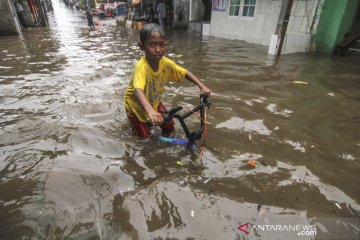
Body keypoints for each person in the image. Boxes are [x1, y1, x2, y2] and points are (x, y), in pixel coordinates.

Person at [124, 23, 211, 139]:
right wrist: (151, 111)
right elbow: (138, 90)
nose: (158, 50)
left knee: (170, 127)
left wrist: (201, 86)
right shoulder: (141, 67)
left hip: (154, 101)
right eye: (152, 45)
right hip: (135, 106)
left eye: (162, 45)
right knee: (144, 138)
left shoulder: (166, 63)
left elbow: (184, 72)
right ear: (141, 46)